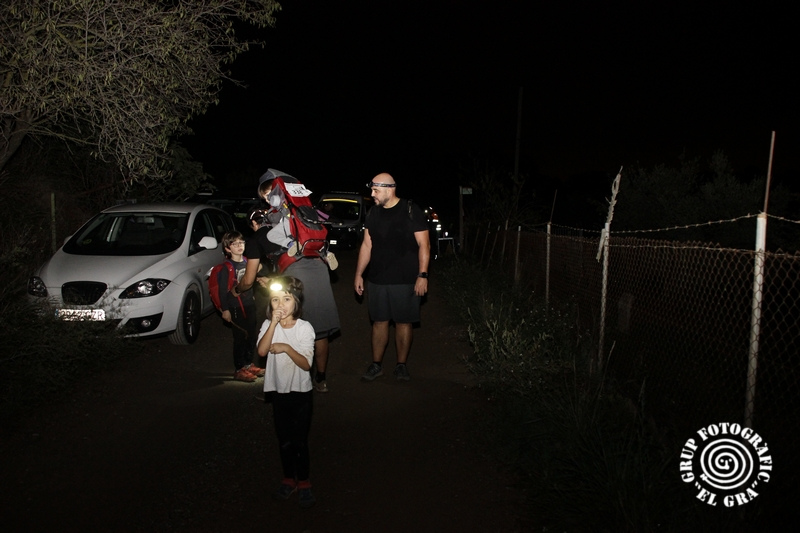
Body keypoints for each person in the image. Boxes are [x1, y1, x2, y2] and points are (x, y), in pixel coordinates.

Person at [234, 168, 340, 393]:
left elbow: (249, 279)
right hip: (319, 267)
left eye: (266, 195)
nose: (266, 200)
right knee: (320, 332)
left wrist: (237, 289)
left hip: (295, 273)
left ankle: (290, 383)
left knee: (290, 326)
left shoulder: (259, 236)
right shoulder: (298, 214)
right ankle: (321, 379)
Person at [354, 172, 430, 382]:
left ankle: (401, 365)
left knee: (403, 323)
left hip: (406, 279)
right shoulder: (373, 213)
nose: (372, 195)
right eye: (372, 190)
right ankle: (376, 365)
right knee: (379, 322)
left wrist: (423, 275)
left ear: (390, 189)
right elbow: (367, 245)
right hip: (377, 279)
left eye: (376, 190)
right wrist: (359, 274)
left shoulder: (411, 210)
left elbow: (424, 244)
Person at [256, 276, 316, 508]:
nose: (280, 304)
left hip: (301, 393)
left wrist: (286, 348)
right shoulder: (267, 325)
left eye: (287, 299)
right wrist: (273, 324)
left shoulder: (304, 328)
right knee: (284, 440)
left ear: (297, 302)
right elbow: (262, 351)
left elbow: (306, 364)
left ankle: (304, 481)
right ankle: (288, 478)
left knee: (299, 440)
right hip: (278, 392)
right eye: (275, 300)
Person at [217, 231, 263, 382]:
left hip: (249, 304)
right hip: (235, 306)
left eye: (241, 242)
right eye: (234, 243)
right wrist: (225, 309)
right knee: (240, 337)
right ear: (227, 248)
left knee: (251, 335)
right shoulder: (226, 267)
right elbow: (222, 291)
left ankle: (248, 364)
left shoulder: (248, 262)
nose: (239, 246)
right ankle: (239, 369)